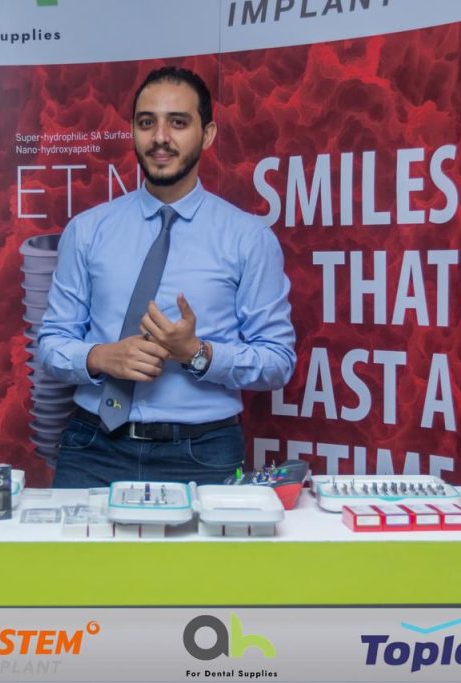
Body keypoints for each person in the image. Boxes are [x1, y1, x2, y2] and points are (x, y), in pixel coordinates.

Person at [37, 66, 295, 488]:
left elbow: (278, 362)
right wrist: (101, 357)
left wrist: (196, 352)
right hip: (92, 447)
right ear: (133, 132)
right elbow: (50, 344)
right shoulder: (87, 231)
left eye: (178, 122)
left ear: (207, 134)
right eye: (146, 123)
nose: (160, 137)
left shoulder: (248, 239)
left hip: (202, 452)